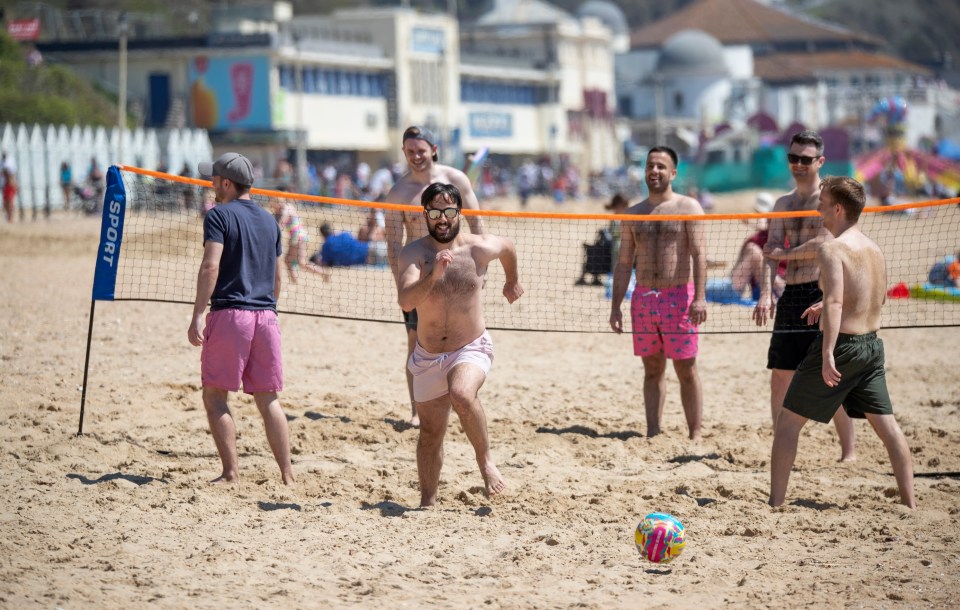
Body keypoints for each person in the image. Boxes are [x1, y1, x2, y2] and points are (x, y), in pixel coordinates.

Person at [769, 176, 915, 508]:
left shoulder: (830, 247)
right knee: (889, 429)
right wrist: (830, 303)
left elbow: (835, 302)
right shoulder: (873, 247)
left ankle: (775, 504)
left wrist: (826, 353)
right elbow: (874, 297)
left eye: (822, 202)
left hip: (844, 346)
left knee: (789, 422)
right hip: (872, 347)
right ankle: (910, 505)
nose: (818, 206)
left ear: (838, 208)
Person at [396, 182, 523, 506]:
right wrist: (434, 274)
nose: (442, 218)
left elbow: (507, 247)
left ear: (459, 213)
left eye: (448, 211)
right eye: (435, 212)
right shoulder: (414, 254)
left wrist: (512, 280)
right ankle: (428, 501)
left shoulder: (477, 248)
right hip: (427, 355)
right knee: (430, 434)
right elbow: (407, 301)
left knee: (462, 394)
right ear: (425, 214)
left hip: (471, 346)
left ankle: (486, 462)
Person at [188, 152, 294, 485]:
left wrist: (196, 315)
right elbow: (278, 279)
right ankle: (288, 476)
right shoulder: (269, 221)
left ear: (226, 183)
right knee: (269, 400)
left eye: (214, 179)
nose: (211, 185)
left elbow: (210, 266)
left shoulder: (218, 216)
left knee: (215, 395)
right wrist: (267, 308)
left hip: (231, 314)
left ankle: (231, 473)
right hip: (266, 316)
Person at [753, 131, 856, 461]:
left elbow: (822, 246)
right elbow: (771, 253)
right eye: (793, 158)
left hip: (821, 292)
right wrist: (766, 294)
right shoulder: (783, 204)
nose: (798, 164)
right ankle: (779, 445)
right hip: (790, 294)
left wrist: (784, 252)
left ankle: (848, 451)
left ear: (820, 162)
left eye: (805, 159)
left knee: (829, 377)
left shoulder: (826, 202)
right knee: (780, 375)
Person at [385, 126, 485, 427]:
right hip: (420, 276)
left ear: (434, 149)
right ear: (404, 152)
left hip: (458, 274)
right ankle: (418, 410)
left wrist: (482, 271)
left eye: (421, 151)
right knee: (417, 343)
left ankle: (461, 396)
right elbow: (392, 243)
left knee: (462, 338)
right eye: (410, 151)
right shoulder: (399, 193)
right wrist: (402, 283)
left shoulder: (456, 180)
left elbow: (478, 225)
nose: (416, 157)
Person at [609, 146, 707, 440]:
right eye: (651, 166)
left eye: (661, 167)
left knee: (686, 368)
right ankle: (653, 430)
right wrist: (616, 306)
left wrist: (700, 297)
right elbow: (624, 262)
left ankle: (696, 433)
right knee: (652, 368)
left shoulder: (688, 207)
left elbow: (700, 254)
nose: (654, 171)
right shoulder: (633, 214)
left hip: (678, 296)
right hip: (643, 298)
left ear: (673, 173)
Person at [309, 222, 387, 272]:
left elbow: (324, 264)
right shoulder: (344, 234)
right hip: (372, 247)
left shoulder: (325, 246)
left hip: (368, 260)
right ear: (332, 230)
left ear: (322, 235)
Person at [270, 195, 309, 284]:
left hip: (299, 236)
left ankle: (323, 273)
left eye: (273, 204)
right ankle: (295, 281)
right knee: (287, 260)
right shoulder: (281, 210)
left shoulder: (286, 208)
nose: (272, 207)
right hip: (295, 236)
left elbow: (281, 224)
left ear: (278, 203)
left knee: (301, 263)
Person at [2, 152, 17, 223]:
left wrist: (14, 184)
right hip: (7, 185)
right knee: (7, 202)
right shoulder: (7, 166)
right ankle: (9, 217)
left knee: (9, 202)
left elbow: (11, 176)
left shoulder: (6, 166)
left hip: (9, 185)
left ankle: (10, 218)